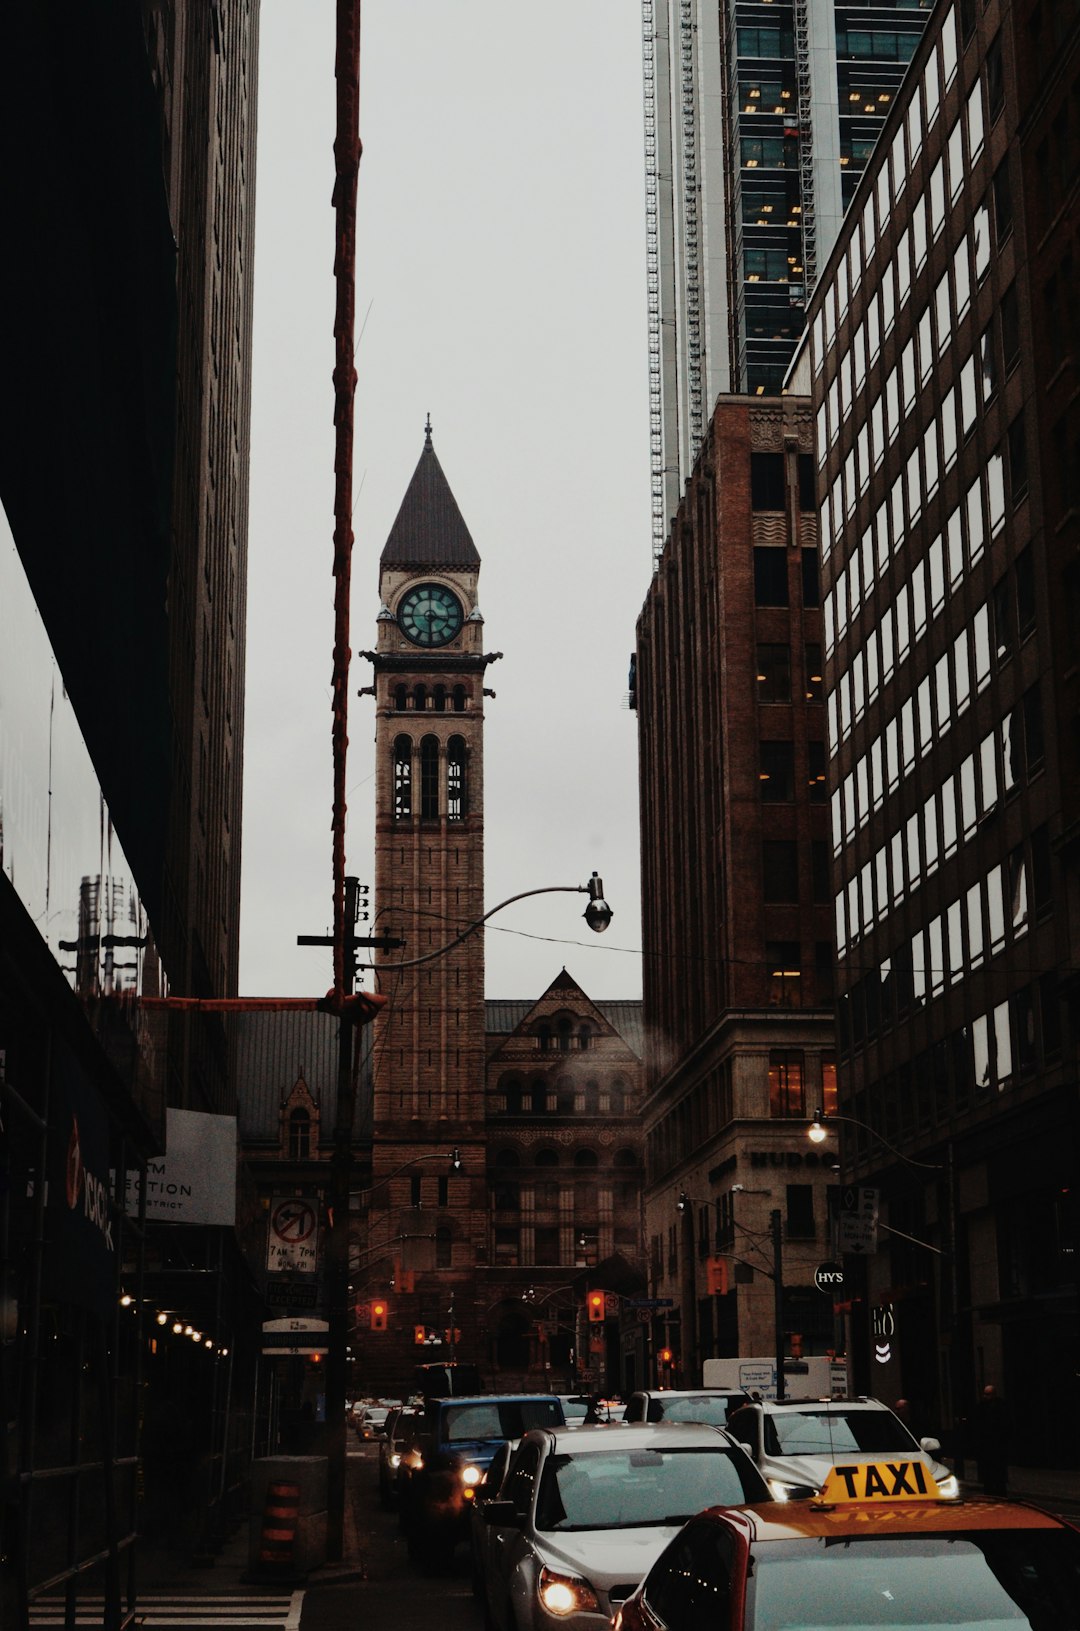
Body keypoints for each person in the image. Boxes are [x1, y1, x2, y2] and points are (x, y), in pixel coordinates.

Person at [973, 1383, 1010, 1496]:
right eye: (985, 1394)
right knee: (988, 1475)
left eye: (988, 1394)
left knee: (998, 1473)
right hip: (986, 1446)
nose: (985, 1397)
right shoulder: (982, 1407)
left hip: (998, 1446)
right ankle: (989, 1493)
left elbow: (1006, 1425)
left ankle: (1000, 1493)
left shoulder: (1001, 1407)